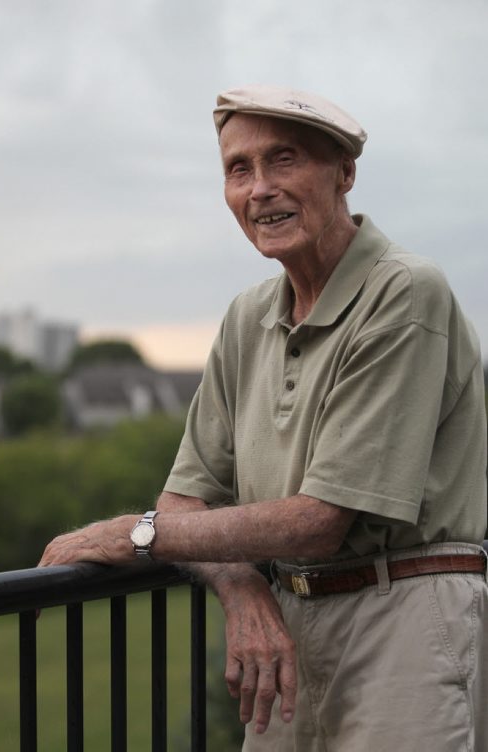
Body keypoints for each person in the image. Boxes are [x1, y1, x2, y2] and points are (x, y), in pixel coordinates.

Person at [40, 85, 488, 751]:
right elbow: (184, 499)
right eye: (238, 169)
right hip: (284, 620)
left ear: (344, 174)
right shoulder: (247, 317)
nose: (260, 190)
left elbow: (319, 520)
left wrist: (137, 536)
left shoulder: (404, 290)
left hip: (403, 616)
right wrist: (243, 589)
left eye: (284, 161)